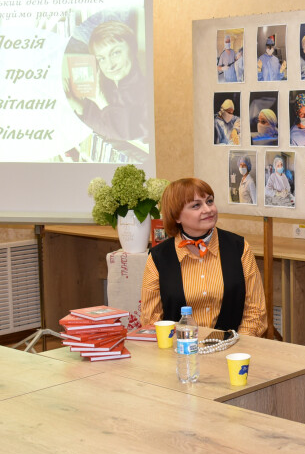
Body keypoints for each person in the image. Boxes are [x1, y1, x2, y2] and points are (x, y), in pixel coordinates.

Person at [140, 178, 268, 337]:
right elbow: (152, 321)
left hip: (232, 351)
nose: (208, 209)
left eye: (210, 201)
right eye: (196, 205)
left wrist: (238, 345)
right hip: (180, 352)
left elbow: (255, 311)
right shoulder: (159, 258)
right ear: (176, 216)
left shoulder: (239, 247)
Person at [68, 20, 147, 142]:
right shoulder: (105, 87)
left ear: (133, 49)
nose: (109, 66)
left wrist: (101, 101)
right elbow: (95, 126)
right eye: (101, 59)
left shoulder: (146, 92)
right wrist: (76, 103)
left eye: (115, 53)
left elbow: (125, 134)